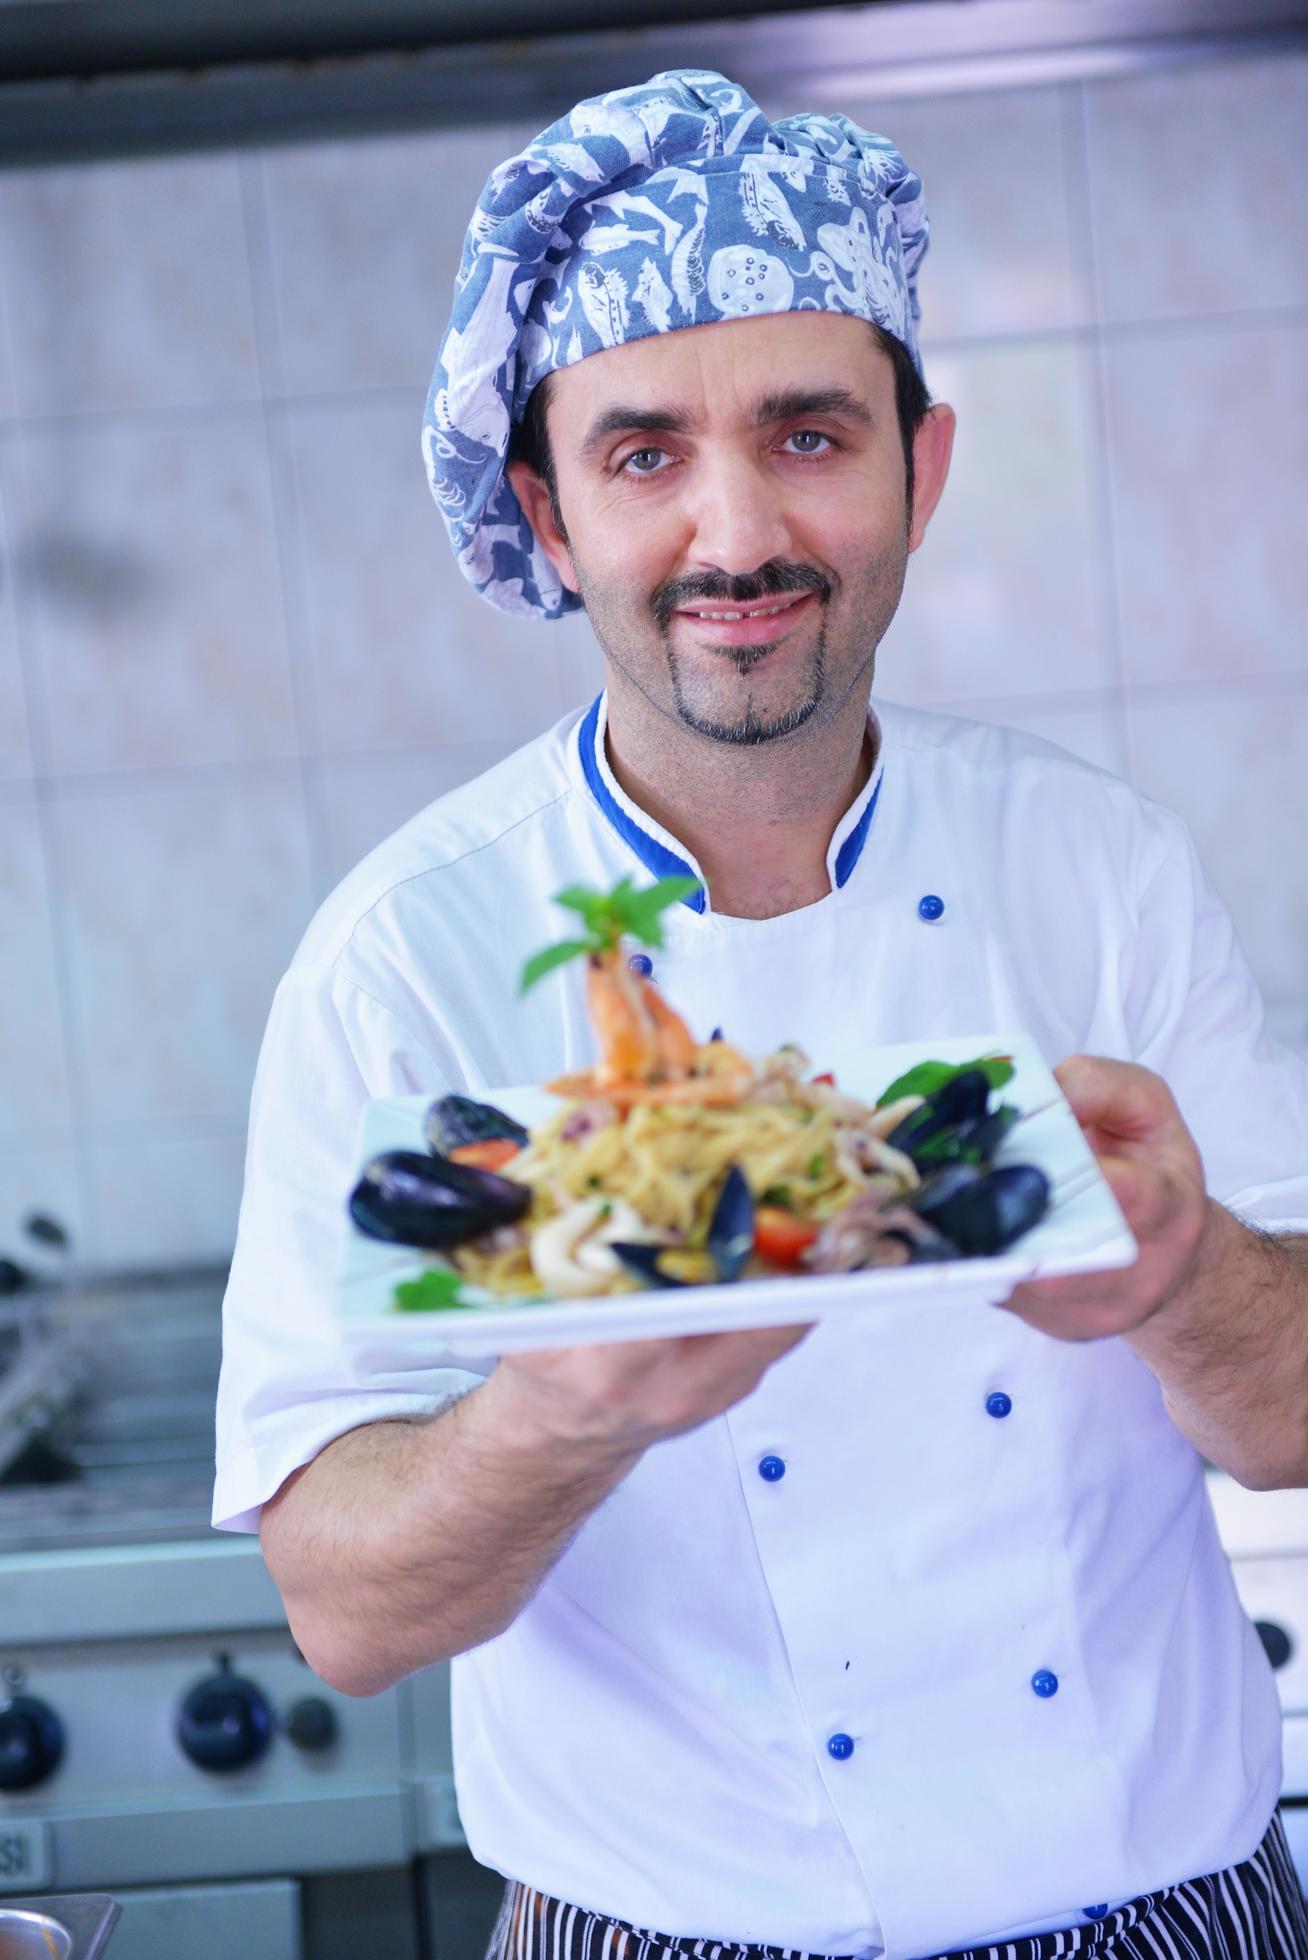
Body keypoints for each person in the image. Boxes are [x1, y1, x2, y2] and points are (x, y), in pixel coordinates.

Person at [213, 69, 1308, 1960]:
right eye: (645, 456)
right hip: (660, 1930)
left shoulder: (1099, 874)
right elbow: (347, 1608)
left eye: (809, 435)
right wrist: (563, 1411)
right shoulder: (413, 960)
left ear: (921, 470)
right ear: (548, 517)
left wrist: (1181, 1277)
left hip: (1164, 1903)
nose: (736, 536)